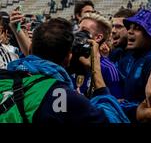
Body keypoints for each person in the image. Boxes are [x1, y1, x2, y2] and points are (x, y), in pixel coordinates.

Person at [0, 18, 128, 123]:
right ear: (68, 57)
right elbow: (113, 119)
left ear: (30, 49)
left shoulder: (4, 76)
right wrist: (96, 70)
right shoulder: (60, 95)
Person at [118, 9, 151, 122]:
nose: (130, 32)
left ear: (150, 36)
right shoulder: (127, 58)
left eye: (137, 29)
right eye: (130, 28)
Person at [76, 13, 122, 99]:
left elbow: (115, 104)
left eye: (84, 30)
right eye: (78, 29)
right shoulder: (69, 61)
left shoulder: (108, 68)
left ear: (98, 37)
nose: (78, 33)